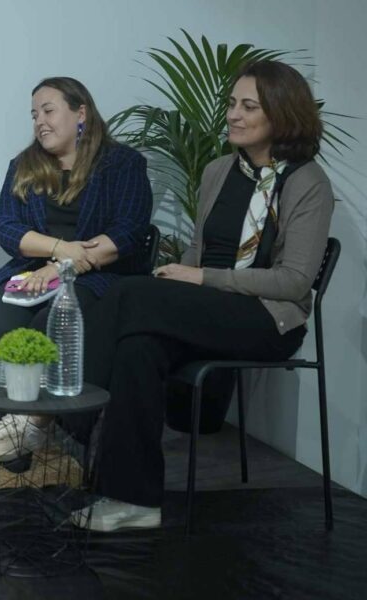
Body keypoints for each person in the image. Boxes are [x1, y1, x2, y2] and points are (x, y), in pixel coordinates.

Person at [75, 60, 334, 532]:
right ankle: (134, 501)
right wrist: (187, 276)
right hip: (211, 312)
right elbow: (197, 252)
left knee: (129, 295)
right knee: (138, 347)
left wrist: (201, 280)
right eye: (232, 103)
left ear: (282, 114)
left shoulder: (307, 183)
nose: (233, 114)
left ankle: (47, 421)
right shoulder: (219, 171)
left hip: (265, 322)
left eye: (248, 106)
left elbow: (294, 283)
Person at [0, 77, 152, 460]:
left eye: (48, 111)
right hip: (33, 269)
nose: (40, 122)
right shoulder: (24, 165)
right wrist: (59, 250)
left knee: (49, 326)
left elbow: (129, 231)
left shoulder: (122, 164)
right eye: (34, 115)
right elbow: (9, 228)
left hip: (101, 275)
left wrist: (63, 266)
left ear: (80, 113)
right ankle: (12, 430)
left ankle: (31, 427)